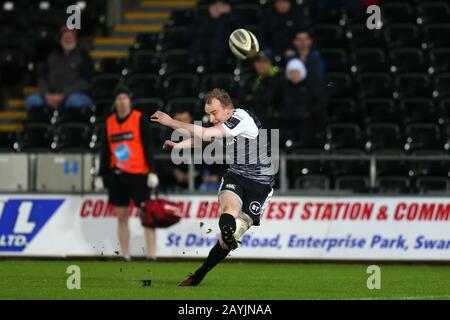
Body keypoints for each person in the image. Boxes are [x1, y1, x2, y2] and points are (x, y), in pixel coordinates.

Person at [151, 88, 275, 286]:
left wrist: (171, 122)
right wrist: (178, 147)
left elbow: (207, 132)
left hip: (260, 186)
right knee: (229, 209)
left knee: (228, 240)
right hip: (236, 175)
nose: (210, 117)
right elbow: (206, 138)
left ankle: (200, 273)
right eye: (208, 114)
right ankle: (227, 229)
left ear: (228, 109)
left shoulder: (241, 118)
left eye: (214, 113)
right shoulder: (227, 123)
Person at [97, 87, 159, 262]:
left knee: (146, 216)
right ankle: (125, 254)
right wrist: (101, 175)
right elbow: (105, 151)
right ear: (115, 102)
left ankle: (152, 254)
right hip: (117, 175)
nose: (122, 102)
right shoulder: (109, 123)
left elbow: (148, 147)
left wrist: (152, 171)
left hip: (139, 174)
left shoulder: (139, 119)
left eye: (125, 98)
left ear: (129, 101)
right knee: (121, 216)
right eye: (119, 98)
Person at [25, 26, 94, 112]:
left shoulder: (84, 56)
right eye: (65, 37)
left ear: (76, 39)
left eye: (70, 37)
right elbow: (42, 78)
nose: (67, 40)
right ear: (60, 40)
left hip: (75, 95)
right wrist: (46, 95)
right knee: (32, 100)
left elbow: (85, 82)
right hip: (51, 96)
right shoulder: (51, 56)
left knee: (74, 101)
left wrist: (63, 95)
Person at [279, 58, 327, 147]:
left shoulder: (311, 88)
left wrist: (308, 114)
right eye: (291, 72)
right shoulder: (283, 89)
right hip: (289, 124)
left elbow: (319, 105)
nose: (294, 75)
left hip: (308, 124)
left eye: (296, 72)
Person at [185, 0, 239, 71]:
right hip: (200, 56)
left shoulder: (230, 20)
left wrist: (227, 15)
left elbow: (241, 34)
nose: (217, 8)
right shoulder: (201, 18)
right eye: (215, 5)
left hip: (224, 57)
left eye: (221, 6)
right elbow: (187, 36)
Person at [239, 50, 282, 122]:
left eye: (265, 61)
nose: (261, 65)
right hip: (253, 122)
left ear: (271, 63)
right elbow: (241, 98)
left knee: (271, 133)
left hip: (273, 122)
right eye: (258, 62)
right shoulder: (250, 78)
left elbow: (268, 99)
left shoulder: (277, 78)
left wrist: (252, 98)